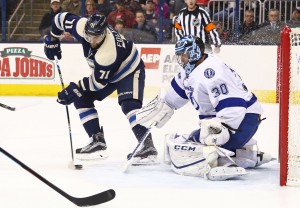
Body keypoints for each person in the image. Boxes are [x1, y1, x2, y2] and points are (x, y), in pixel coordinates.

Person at [131, 35, 273, 180]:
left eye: (184, 55)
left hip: (243, 121)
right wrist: (161, 108)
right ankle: (243, 154)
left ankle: (224, 159)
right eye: (179, 55)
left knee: (191, 141)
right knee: (194, 137)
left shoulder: (212, 72)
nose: (181, 59)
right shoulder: (188, 71)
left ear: (194, 53)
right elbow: (173, 99)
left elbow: (234, 109)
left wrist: (218, 134)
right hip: (231, 122)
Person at [43, 13, 158, 165]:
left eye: (96, 37)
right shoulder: (81, 25)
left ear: (104, 32)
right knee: (81, 97)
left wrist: (76, 87)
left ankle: (148, 147)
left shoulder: (107, 53)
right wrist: (53, 38)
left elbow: (98, 84)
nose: (92, 40)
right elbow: (59, 18)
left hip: (129, 69)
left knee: (129, 105)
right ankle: (97, 141)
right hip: (106, 74)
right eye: (89, 36)